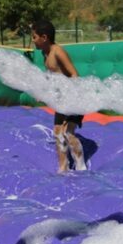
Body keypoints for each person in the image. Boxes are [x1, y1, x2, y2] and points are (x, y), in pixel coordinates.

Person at [31, 19, 87, 173]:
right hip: (62, 100)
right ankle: (63, 169)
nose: (32, 40)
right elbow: (52, 76)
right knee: (57, 132)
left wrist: (73, 98)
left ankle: (82, 168)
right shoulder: (45, 53)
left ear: (44, 37)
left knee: (68, 133)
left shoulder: (58, 52)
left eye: (34, 37)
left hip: (74, 96)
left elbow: (74, 74)